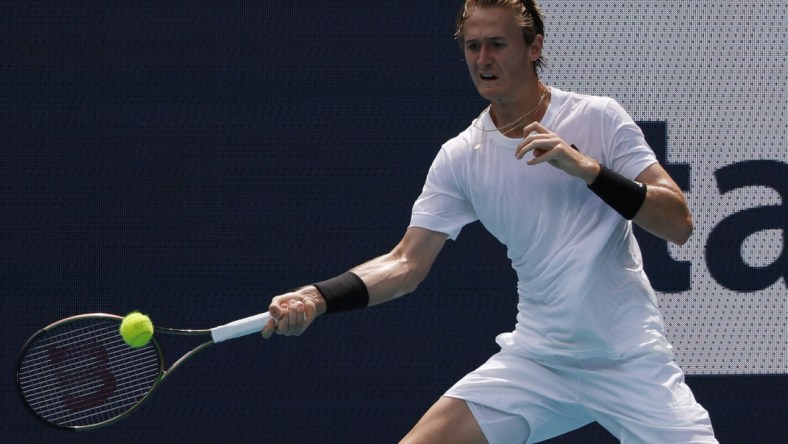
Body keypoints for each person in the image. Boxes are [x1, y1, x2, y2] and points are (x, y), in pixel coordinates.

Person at [261, 1, 718, 443]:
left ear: (534, 47)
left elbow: (678, 222)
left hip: (628, 359)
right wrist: (317, 297)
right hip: (538, 363)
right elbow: (405, 264)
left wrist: (589, 170)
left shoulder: (597, 117)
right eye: (473, 46)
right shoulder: (461, 156)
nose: (483, 59)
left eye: (498, 44)